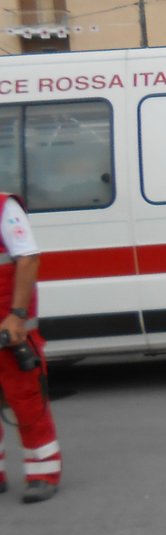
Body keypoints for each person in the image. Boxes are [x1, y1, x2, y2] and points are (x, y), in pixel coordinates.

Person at [0, 192, 62, 503]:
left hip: (9, 332)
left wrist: (17, 316)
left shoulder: (4, 207)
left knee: (26, 400)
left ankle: (42, 473)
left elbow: (27, 258)